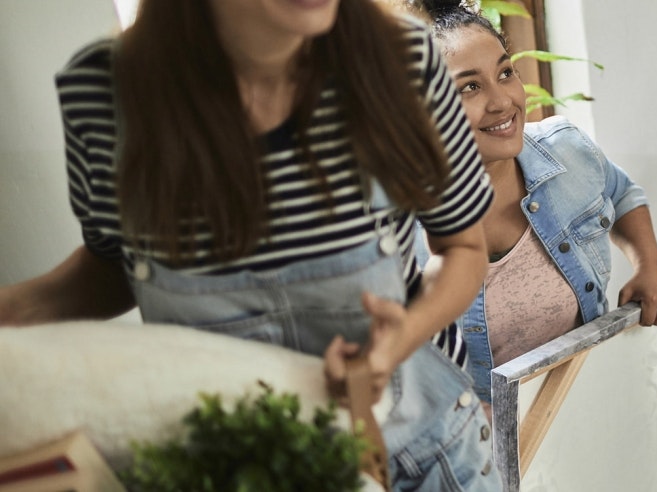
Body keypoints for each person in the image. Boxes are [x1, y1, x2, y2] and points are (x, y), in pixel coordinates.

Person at [0, 0, 501, 489]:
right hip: (234, 467)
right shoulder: (104, 94)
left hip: (421, 458)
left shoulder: (403, 64)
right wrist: (17, 310)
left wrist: (401, 337)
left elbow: (461, 249)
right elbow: (116, 266)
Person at [407, 1, 657, 407]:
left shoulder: (565, 150)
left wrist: (650, 266)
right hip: (474, 450)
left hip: (582, 409)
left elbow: (621, 191)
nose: (502, 102)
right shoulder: (394, 226)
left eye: (505, 73)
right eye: (469, 86)